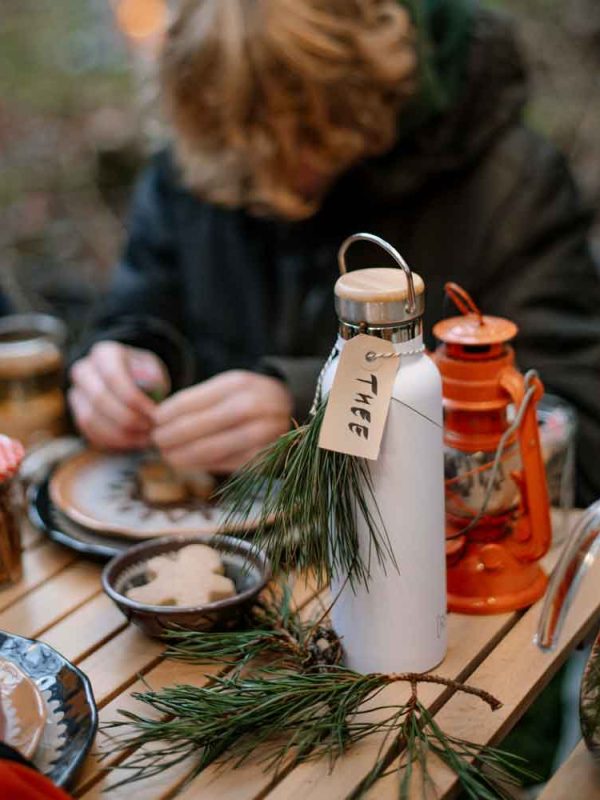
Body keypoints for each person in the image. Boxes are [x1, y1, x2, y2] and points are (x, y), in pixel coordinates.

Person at [69, 0, 600, 505]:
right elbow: (139, 312)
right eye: (239, 149)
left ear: (365, 92)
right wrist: (125, 364)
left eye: (300, 138)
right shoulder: (197, 155)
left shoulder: (506, 188)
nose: (267, 179)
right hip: (214, 550)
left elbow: (576, 436)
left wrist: (323, 412)